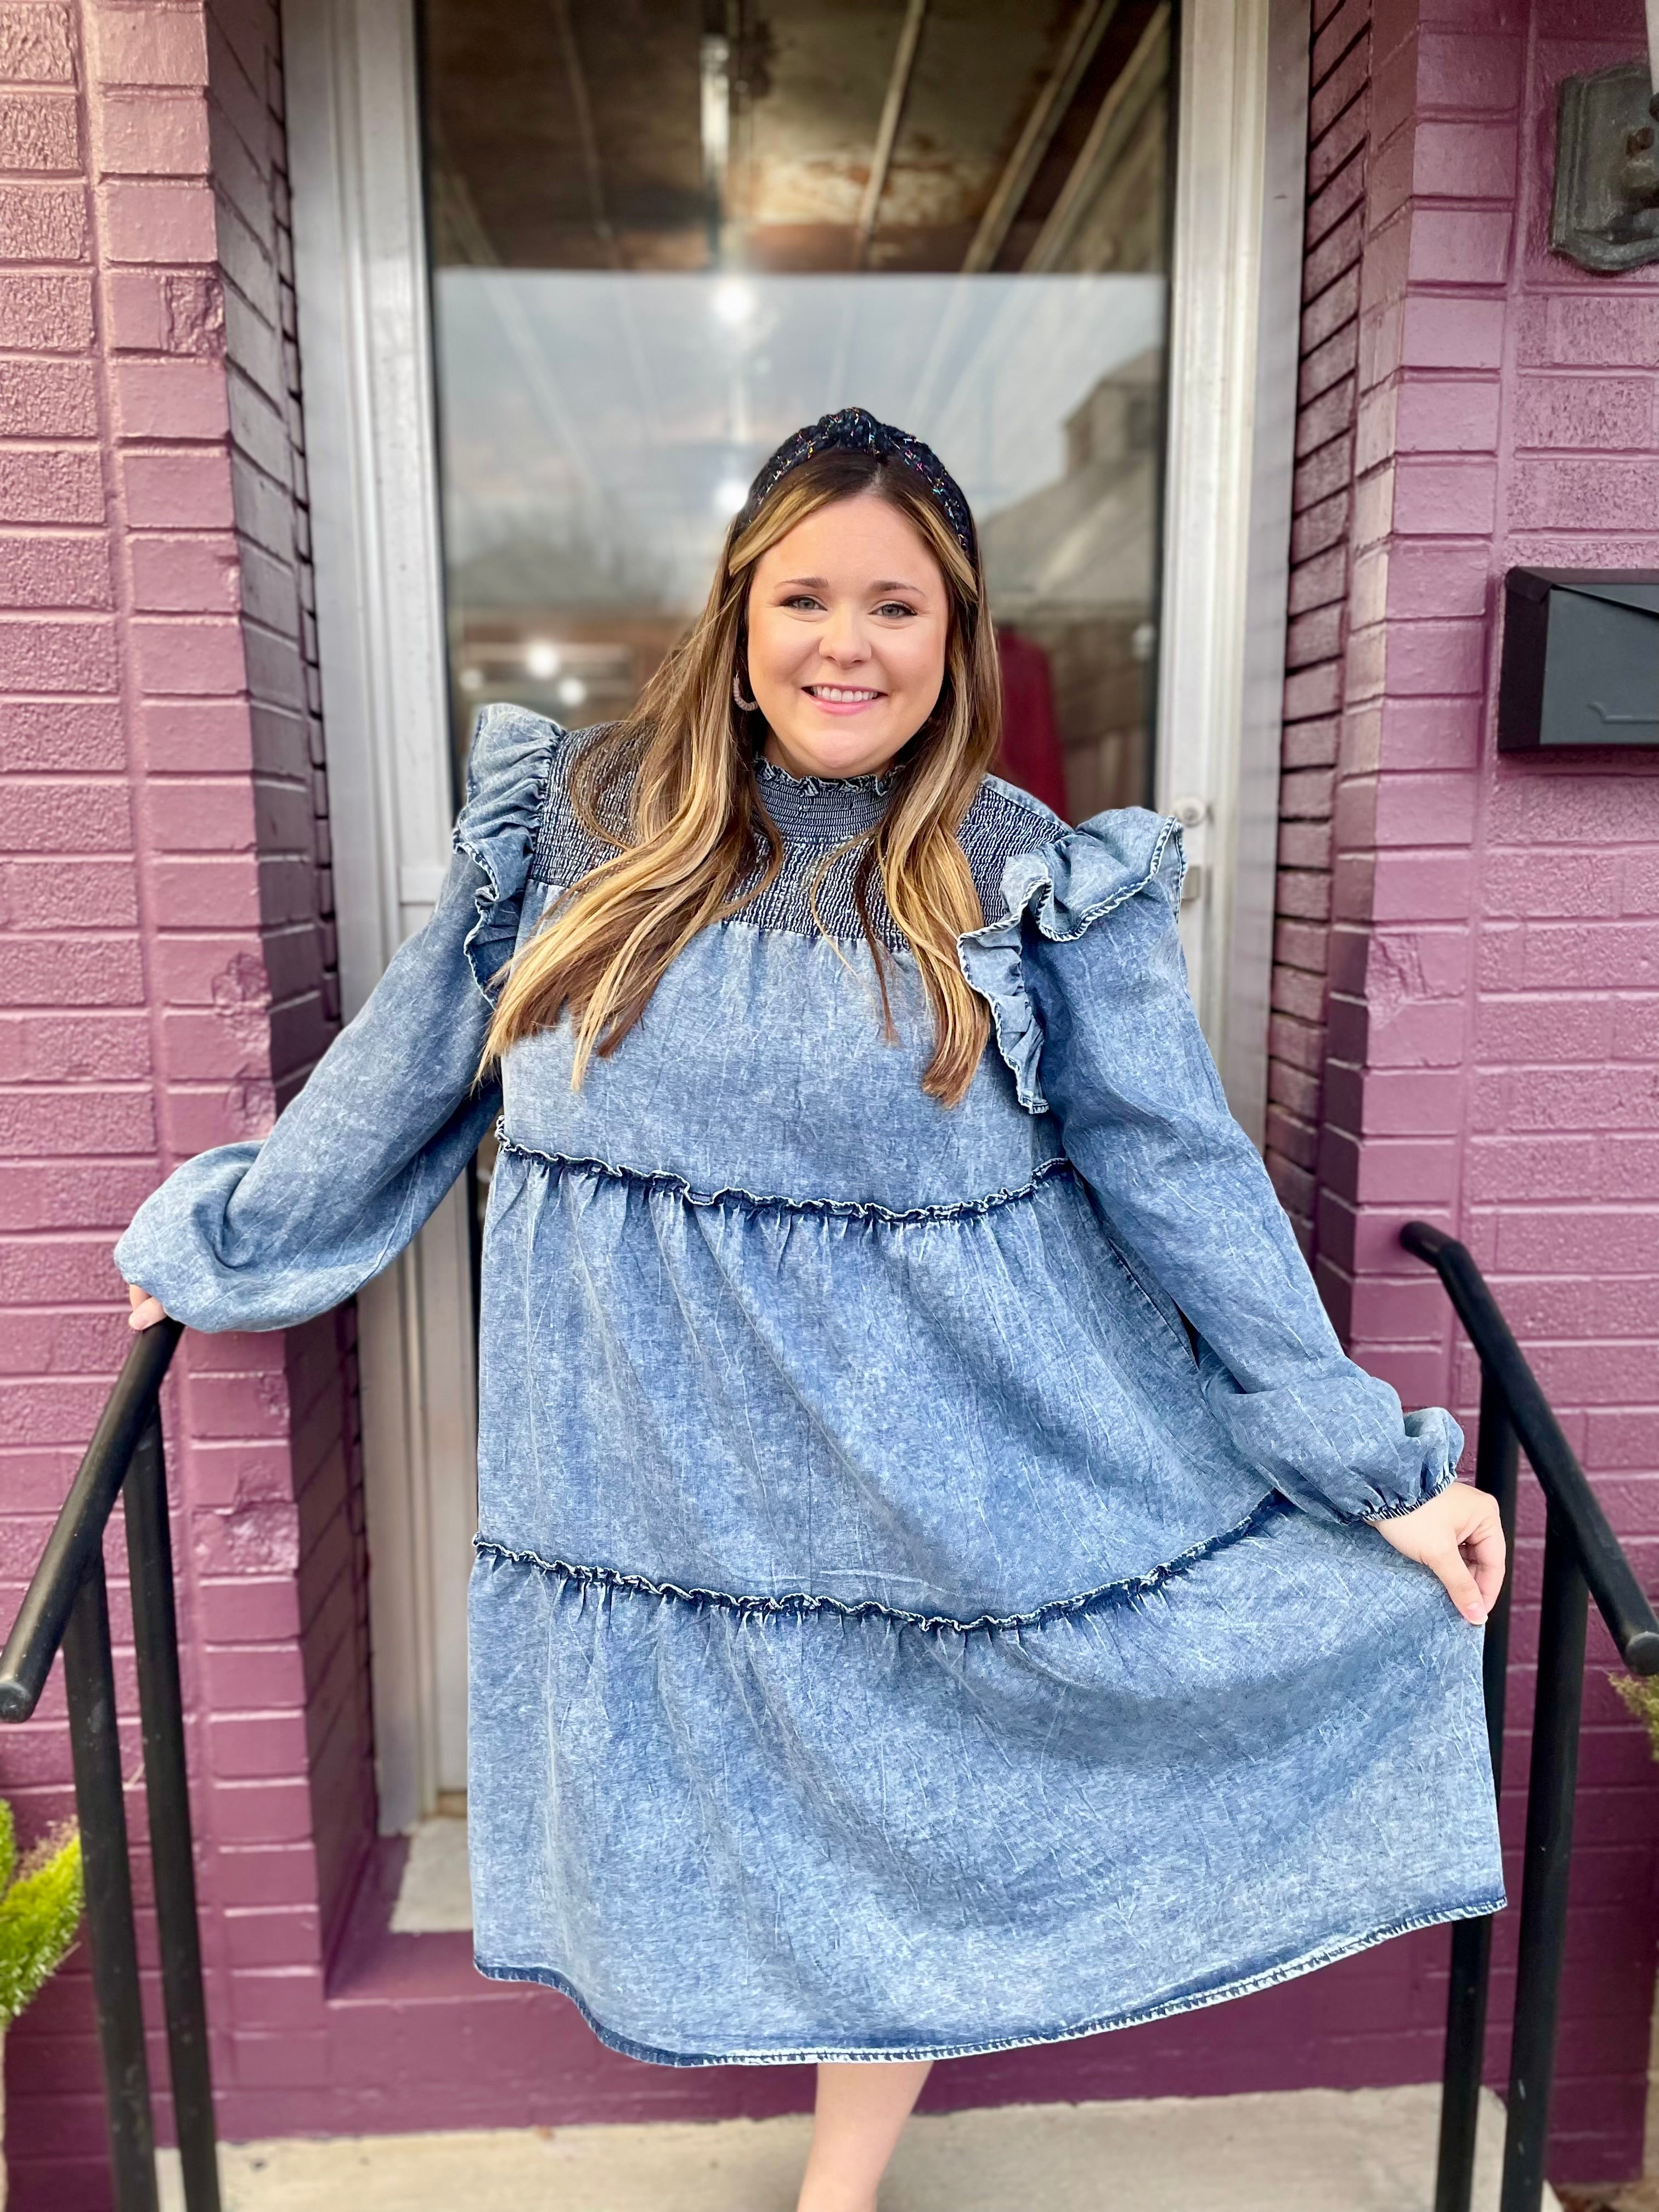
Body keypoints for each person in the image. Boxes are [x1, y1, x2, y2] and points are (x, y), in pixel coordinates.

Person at [118, 408, 1506, 2212]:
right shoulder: (579, 828)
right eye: (807, 597)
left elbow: (1187, 1183)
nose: (848, 644)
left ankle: (837, 2192)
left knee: (903, 1841)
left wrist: (1369, 1465)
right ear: (739, 613)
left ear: (957, 639)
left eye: (898, 607)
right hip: (659, 1500)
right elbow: (408, 1072)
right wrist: (230, 1245)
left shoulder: (1021, 875)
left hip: (931, 1476)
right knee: (736, 1849)